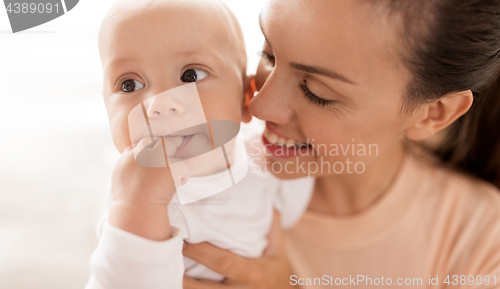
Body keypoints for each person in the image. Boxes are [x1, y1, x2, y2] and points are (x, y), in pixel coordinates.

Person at [182, 0, 500, 288]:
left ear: (432, 114)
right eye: (269, 54)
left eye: (316, 91)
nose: (259, 107)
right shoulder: (189, 180)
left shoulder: (483, 243)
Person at [85, 0, 313, 288]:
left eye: (190, 76)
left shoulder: (266, 155)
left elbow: (292, 211)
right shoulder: (138, 195)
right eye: (129, 84)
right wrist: (138, 205)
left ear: (245, 99)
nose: (159, 104)